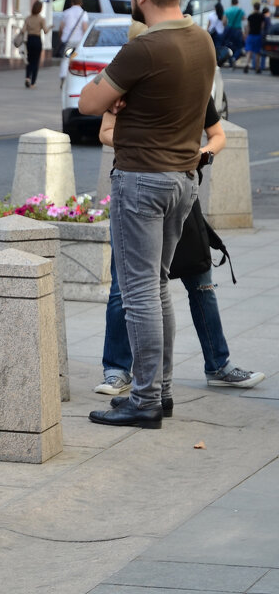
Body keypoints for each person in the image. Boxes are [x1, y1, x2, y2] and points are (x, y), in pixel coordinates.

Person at [79, 0, 215, 428]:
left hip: (142, 179)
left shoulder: (144, 49)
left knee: (138, 292)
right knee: (157, 289)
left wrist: (118, 95)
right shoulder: (202, 40)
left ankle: (144, 401)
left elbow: (89, 101)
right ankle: (161, 391)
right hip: (183, 180)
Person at [97, 98, 264, 398]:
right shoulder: (132, 75)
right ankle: (117, 369)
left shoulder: (193, 80)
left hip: (181, 190)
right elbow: (105, 130)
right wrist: (142, 143)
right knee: (124, 286)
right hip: (136, 189)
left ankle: (218, 363)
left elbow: (218, 135)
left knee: (200, 279)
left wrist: (202, 153)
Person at [56, 0, 89, 83]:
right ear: (81, 3)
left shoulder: (66, 12)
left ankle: (63, 77)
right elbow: (85, 28)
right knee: (78, 59)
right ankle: (78, 79)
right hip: (79, 41)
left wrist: (61, 38)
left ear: (72, 3)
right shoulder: (84, 13)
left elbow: (61, 28)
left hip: (68, 41)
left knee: (66, 58)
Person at [23, 0, 48, 88]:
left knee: (29, 60)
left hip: (29, 40)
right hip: (37, 40)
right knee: (35, 61)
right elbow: (45, 31)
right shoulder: (41, 19)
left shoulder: (28, 18)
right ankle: (33, 83)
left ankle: (27, 77)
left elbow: (23, 30)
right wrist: (50, 27)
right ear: (40, 9)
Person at [223, 0, 246, 68]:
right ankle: (234, 58)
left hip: (229, 30)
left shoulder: (227, 10)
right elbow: (244, 19)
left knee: (229, 46)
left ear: (231, 2)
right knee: (239, 46)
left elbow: (224, 22)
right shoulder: (241, 10)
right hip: (238, 30)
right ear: (237, 2)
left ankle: (230, 61)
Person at [245, 1, 266, 73]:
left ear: (254, 7)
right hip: (258, 35)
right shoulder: (261, 16)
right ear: (259, 8)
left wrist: (246, 35)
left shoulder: (250, 16)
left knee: (249, 51)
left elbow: (248, 27)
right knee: (257, 52)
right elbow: (262, 26)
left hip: (250, 35)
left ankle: (246, 64)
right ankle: (257, 68)